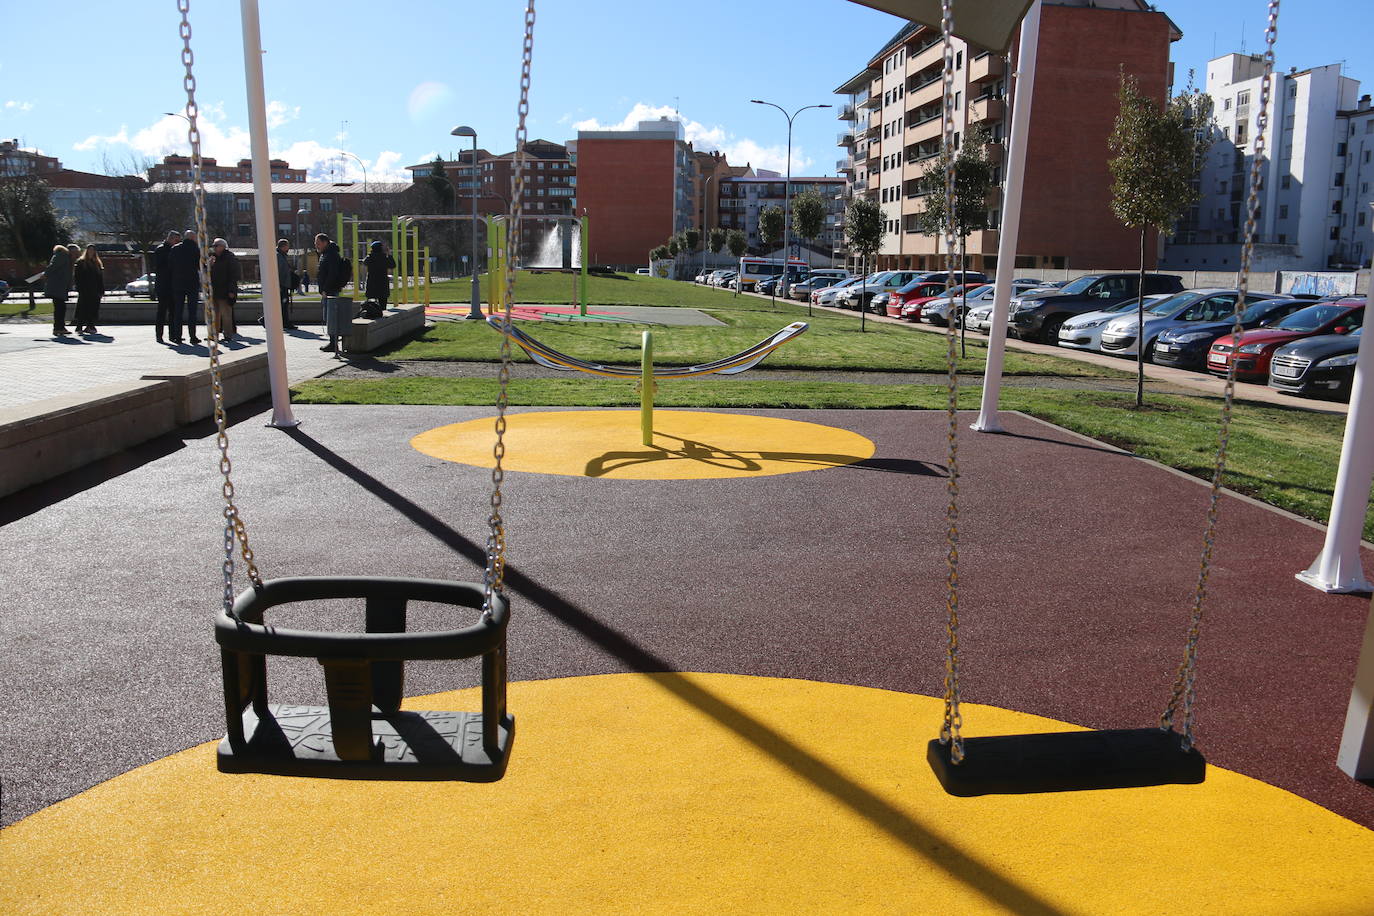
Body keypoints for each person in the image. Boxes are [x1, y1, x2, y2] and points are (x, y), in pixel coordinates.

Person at [167, 229, 202, 345]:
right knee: (192, 312)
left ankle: (177, 336)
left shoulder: (175, 249)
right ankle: (193, 336)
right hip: (192, 283)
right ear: (193, 238)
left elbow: (170, 266)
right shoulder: (195, 249)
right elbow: (200, 266)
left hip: (178, 284)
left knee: (178, 311)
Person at [315, 232, 346, 352]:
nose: (316, 245)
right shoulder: (326, 254)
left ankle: (333, 344)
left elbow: (332, 274)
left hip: (330, 291)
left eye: (318, 243)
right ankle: (332, 343)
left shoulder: (331, 255)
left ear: (325, 242)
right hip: (328, 290)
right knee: (329, 317)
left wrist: (325, 289)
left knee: (331, 317)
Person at [209, 238, 240, 341]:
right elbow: (206, 273)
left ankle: (228, 335)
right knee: (214, 315)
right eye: (213, 246)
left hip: (225, 290)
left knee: (226, 314)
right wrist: (209, 266)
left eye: (216, 246)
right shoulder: (212, 258)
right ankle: (214, 334)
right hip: (214, 290)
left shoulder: (230, 258)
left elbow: (233, 275)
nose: (214, 248)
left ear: (222, 246)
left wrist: (231, 291)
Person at [152, 229, 180, 343]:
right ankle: (159, 335)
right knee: (162, 311)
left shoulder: (174, 250)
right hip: (163, 285)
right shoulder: (161, 250)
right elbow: (161, 267)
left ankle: (172, 334)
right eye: (176, 241)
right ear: (171, 239)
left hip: (172, 285)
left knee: (173, 312)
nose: (177, 243)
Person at [72, 245, 105, 335]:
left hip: (95, 289)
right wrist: (79, 288)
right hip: (85, 289)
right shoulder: (81, 262)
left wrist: (101, 290)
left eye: (93, 250)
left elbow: (99, 278)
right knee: (83, 307)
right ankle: (79, 326)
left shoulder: (97, 263)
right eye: (89, 250)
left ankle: (90, 325)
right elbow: (77, 277)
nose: (91, 252)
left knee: (93, 307)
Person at [266, 238, 297, 329]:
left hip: (283, 284)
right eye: (287, 246)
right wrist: (278, 285)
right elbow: (277, 272)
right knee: (282, 305)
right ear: (283, 247)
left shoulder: (281, 256)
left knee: (282, 305)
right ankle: (283, 322)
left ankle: (283, 322)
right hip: (281, 285)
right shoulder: (278, 256)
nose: (288, 248)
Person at [43, 244, 73, 337]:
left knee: (60, 307)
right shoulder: (62, 256)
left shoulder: (61, 256)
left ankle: (59, 327)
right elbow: (53, 266)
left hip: (58, 286)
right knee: (60, 308)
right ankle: (58, 327)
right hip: (57, 286)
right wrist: (45, 274)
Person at [361, 240, 394, 316]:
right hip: (382, 282)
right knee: (383, 303)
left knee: (371, 303)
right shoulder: (384, 257)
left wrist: (370, 254)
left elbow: (364, 262)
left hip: (372, 282)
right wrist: (389, 254)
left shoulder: (370, 257)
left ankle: (371, 314)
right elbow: (392, 265)